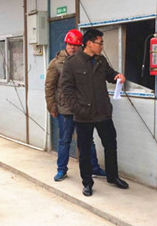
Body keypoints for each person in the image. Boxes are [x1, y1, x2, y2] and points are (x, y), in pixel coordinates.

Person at [60, 28, 129, 197]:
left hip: (103, 112)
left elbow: (109, 74)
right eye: (100, 42)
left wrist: (117, 76)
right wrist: (77, 109)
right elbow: (66, 89)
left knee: (110, 145)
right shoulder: (72, 63)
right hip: (84, 115)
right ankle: (87, 183)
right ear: (89, 43)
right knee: (84, 151)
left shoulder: (101, 60)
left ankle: (113, 176)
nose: (102, 46)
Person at [45, 29, 106, 182]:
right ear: (66, 44)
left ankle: (94, 167)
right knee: (65, 140)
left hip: (83, 109)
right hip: (65, 109)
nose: (73, 48)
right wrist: (52, 106)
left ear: (81, 46)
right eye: (70, 45)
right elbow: (49, 86)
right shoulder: (56, 63)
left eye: (76, 45)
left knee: (88, 140)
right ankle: (61, 169)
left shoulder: (87, 61)